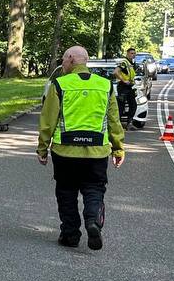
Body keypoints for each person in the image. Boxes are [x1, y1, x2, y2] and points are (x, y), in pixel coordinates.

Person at [38, 46, 126, 251]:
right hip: (97, 151)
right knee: (94, 188)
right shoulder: (105, 86)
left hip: (65, 151)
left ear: (70, 59)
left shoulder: (59, 84)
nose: (63, 64)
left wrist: (42, 148)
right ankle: (93, 220)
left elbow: (48, 120)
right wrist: (118, 148)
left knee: (66, 191)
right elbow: (114, 120)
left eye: (63, 60)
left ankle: (70, 235)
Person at [115, 48, 138, 129]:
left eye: (134, 53)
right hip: (123, 86)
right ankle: (117, 125)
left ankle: (129, 123)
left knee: (133, 104)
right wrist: (124, 81)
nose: (133, 55)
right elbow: (116, 72)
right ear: (127, 54)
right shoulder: (124, 62)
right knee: (121, 106)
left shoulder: (131, 63)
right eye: (132, 53)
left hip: (130, 86)